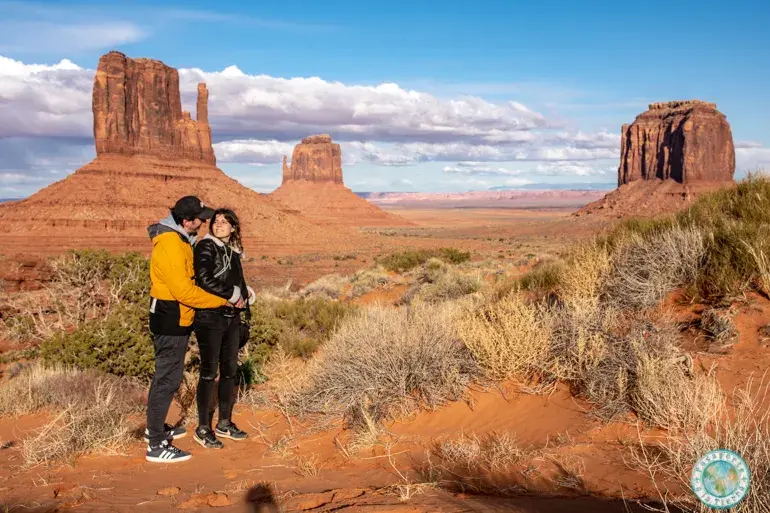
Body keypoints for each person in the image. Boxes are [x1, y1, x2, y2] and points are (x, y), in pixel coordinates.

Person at [145, 196, 245, 463]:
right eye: (201, 218)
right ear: (186, 220)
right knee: (167, 379)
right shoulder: (171, 245)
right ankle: (155, 444)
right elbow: (185, 291)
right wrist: (224, 300)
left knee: (168, 376)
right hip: (171, 317)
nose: (205, 222)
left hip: (176, 316)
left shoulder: (180, 241)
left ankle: (154, 430)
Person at [191, 208, 255, 448]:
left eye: (224, 222)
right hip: (210, 317)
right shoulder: (206, 247)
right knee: (209, 373)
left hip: (232, 318)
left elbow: (238, 281)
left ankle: (224, 423)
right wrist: (232, 293)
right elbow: (204, 277)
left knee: (229, 370)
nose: (218, 225)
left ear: (233, 228)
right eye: (215, 222)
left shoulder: (233, 251)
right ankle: (203, 428)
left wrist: (246, 299)